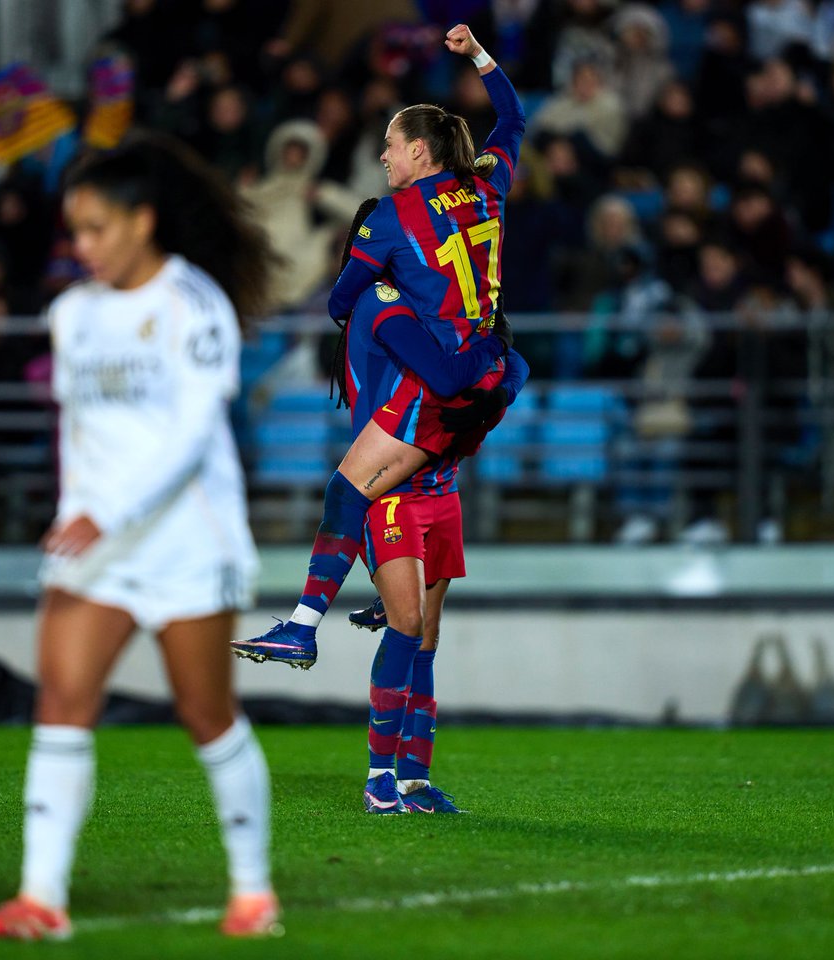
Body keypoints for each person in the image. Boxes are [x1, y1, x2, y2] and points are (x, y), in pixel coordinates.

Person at [0, 133, 281, 940]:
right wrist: (76, 514)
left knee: (206, 714)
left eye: (98, 228)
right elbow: (81, 435)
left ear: (143, 221)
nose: (84, 246)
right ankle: (41, 899)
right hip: (99, 545)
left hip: (187, 542)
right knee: (61, 703)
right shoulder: (73, 314)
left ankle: (252, 893)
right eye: (76, 231)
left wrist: (110, 512)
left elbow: (191, 435)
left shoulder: (193, 304)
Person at [232, 22, 523, 669]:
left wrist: (380, 281)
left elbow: (340, 303)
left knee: (348, 489)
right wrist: (479, 55)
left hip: (438, 385)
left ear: (419, 150)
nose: (384, 157)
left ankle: (304, 626)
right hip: (489, 372)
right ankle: (390, 602)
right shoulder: (489, 187)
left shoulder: (392, 218)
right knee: (404, 499)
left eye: (391, 145)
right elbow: (513, 117)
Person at [345, 277, 530, 815]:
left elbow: (517, 362)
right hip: (393, 494)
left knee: (426, 636)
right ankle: (378, 779)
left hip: (443, 494)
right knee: (406, 625)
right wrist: (492, 358)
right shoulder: (394, 321)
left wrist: (499, 389)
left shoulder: (459, 325)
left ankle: (414, 781)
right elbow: (450, 376)